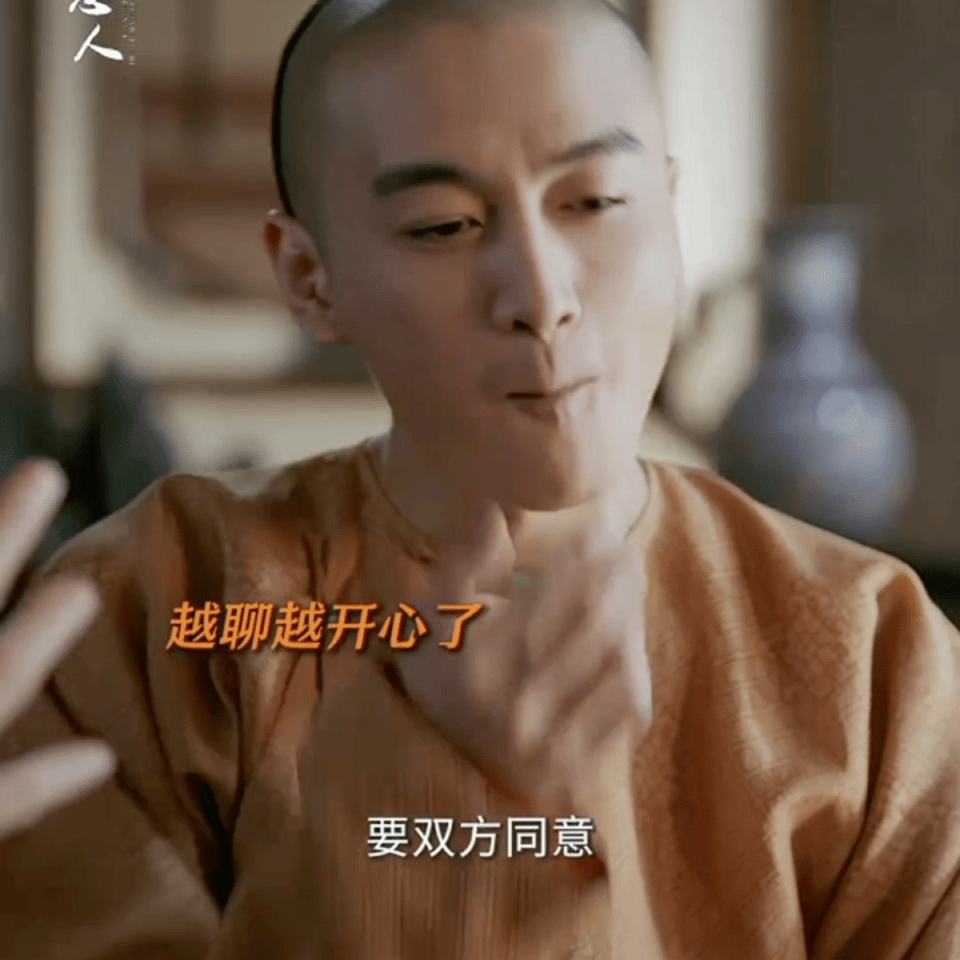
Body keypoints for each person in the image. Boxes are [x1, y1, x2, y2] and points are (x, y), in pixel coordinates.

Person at [1, 0, 958, 957]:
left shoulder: (875, 654)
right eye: (443, 225)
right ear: (310, 277)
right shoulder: (157, 606)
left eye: (595, 202)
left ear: (669, 207)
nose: (542, 297)